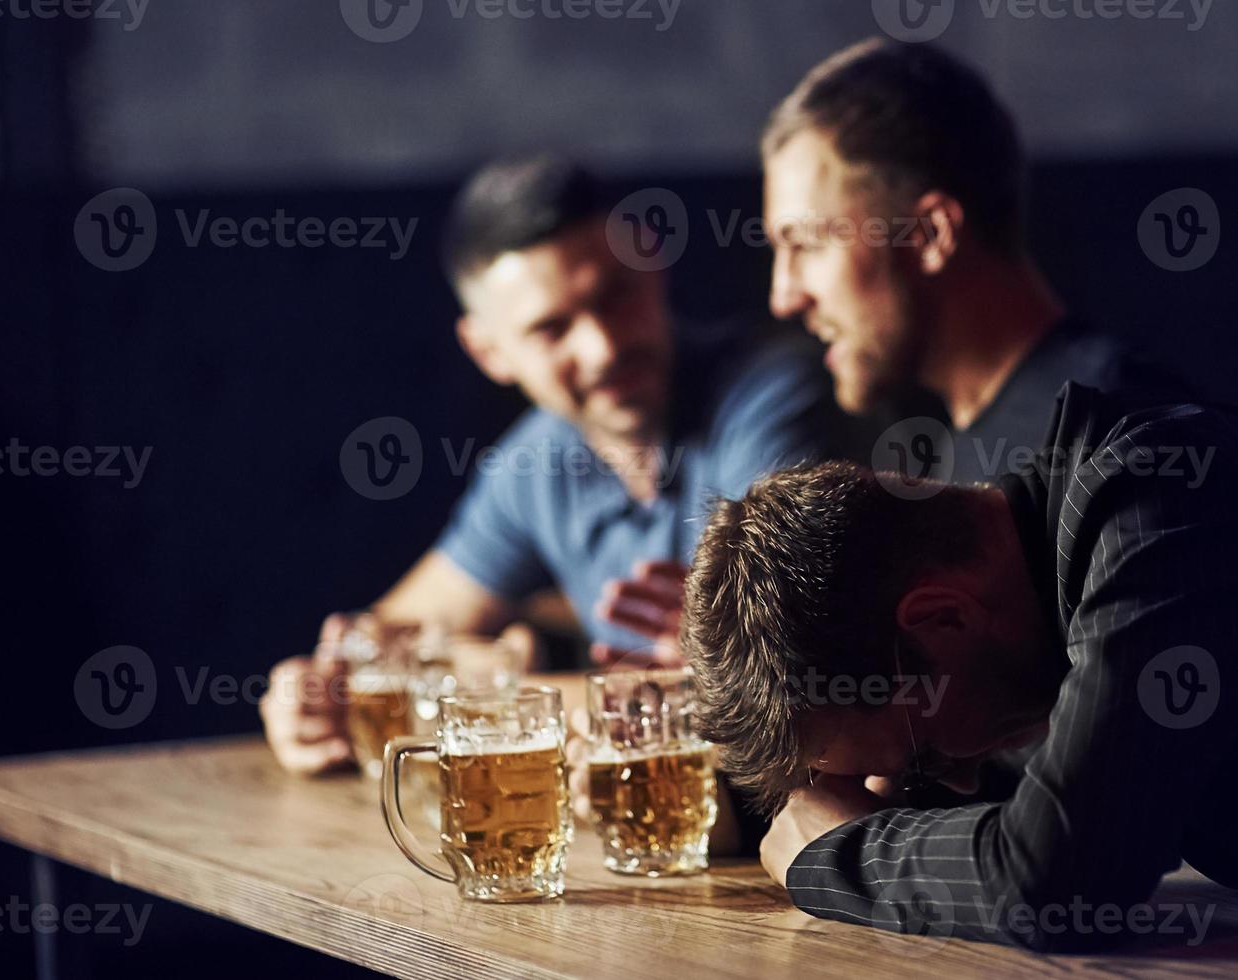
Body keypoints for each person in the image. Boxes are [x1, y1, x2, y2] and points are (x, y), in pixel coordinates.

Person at [680, 380, 1238, 951]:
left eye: (915, 756)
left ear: (941, 616)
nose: (937, 779)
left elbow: (1059, 873)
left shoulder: (1159, 505)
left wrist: (840, 855)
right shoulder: (1029, 612)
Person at [260, 156, 848, 775]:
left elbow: (769, 687)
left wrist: (475, 680)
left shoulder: (775, 390)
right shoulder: (533, 462)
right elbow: (384, 642)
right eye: (551, 328)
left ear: (652, 264)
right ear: (489, 351)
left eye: (615, 296)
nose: (602, 347)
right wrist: (311, 699)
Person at [762, 38, 1183, 484]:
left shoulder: (1123, 442)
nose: (784, 297)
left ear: (930, 236)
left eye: (807, 244)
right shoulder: (969, 455)